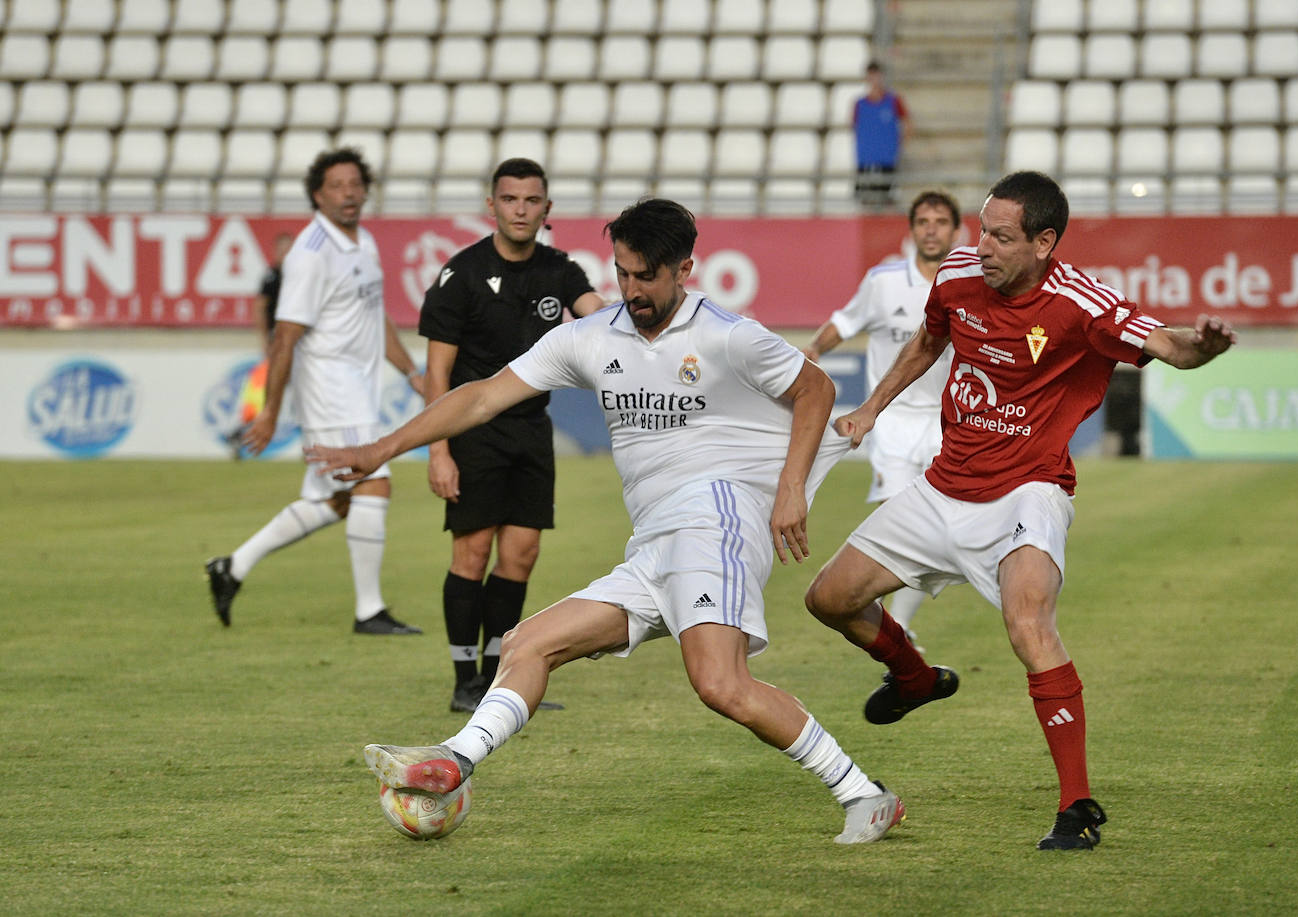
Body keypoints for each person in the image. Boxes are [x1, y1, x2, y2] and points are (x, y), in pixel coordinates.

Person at [307, 198, 905, 844]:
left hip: (717, 519)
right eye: (622, 273)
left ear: (685, 269)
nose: (632, 289)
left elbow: (814, 387)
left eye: (647, 275)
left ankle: (863, 794)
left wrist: (791, 487)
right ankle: (452, 760)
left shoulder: (726, 333)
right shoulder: (590, 339)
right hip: (653, 543)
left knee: (719, 681)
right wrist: (379, 449)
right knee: (524, 643)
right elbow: (480, 396)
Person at [802, 171, 1237, 851]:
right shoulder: (957, 275)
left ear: (1044, 241)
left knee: (1028, 622)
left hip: (1027, 491)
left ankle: (1076, 807)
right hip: (945, 485)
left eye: (1000, 236)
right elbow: (926, 341)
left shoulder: (1079, 302)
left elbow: (1169, 345)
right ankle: (913, 675)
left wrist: (1202, 346)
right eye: (981, 229)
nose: (983, 246)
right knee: (828, 597)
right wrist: (870, 408)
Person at [204, 147, 426, 635]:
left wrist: (411, 372)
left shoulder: (362, 242)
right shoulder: (310, 255)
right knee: (375, 481)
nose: (348, 193)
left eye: (354, 184)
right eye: (336, 186)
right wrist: (267, 413)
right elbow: (285, 337)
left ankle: (233, 566)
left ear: (366, 189)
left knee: (339, 500)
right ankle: (369, 611)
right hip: (329, 387)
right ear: (317, 196)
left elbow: (375, 316)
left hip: (357, 387)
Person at [419, 157, 604, 713]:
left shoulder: (559, 269)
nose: (520, 209)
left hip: (530, 430)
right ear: (492, 206)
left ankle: (498, 676)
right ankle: (463, 680)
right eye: (510, 199)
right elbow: (437, 374)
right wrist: (438, 450)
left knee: (520, 555)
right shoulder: (461, 274)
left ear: (547, 209)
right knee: (472, 552)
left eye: (531, 200)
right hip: (472, 429)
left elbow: (597, 315)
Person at [802, 190, 961, 643]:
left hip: (948, 423)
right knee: (901, 518)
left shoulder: (971, 282)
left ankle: (902, 623)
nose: (931, 229)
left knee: (937, 532)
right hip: (890, 420)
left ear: (955, 230)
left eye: (940, 221)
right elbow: (845, 322)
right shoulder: (884, 280)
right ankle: (900, 625)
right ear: (912, 230)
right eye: (923, 221)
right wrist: (814, 349)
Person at [227, 232, 295, 459]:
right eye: (282, 250)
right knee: (266, 392)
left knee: (305, 391)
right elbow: (260, 307)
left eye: (290, 249)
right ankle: (242, 432)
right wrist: (266, 340)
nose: (286, 255)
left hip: (301, 343)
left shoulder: (300, 275)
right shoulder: (272, 277)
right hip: (281, 342)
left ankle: (315, 443)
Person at [853, 61, 910, 208]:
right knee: (865, 199)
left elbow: (907, 122)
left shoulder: (894, 101)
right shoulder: (859, 104)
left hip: (887, 159)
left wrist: (899, 143)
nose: (874, 80)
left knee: (886, 200)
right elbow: (853, 126)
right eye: (871, 76)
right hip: (865, 160)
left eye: (877, 76)